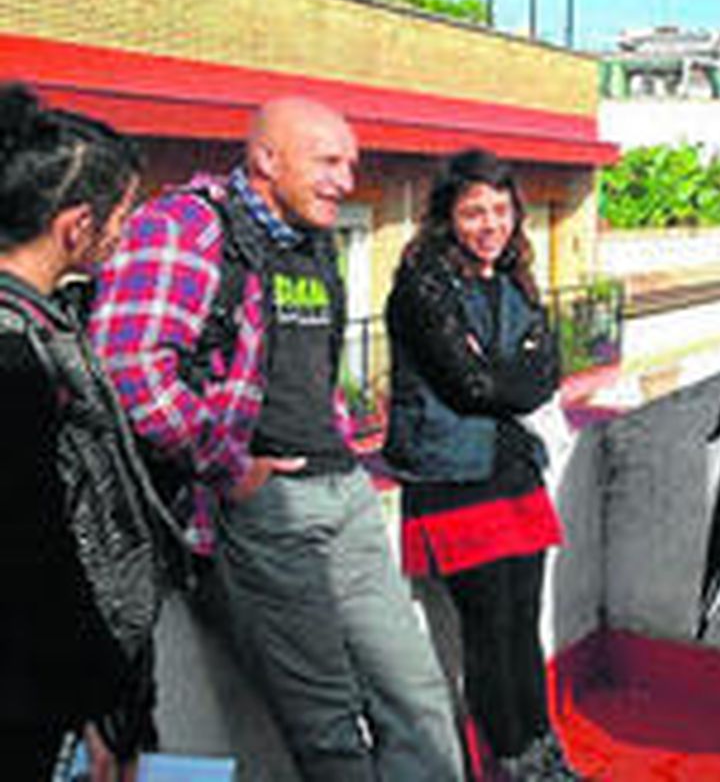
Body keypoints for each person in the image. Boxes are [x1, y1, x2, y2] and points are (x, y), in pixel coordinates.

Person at [89, 97, 462, 782]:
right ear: (265, 159)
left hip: (343, 491)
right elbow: (128, 366)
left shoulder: (314, 241)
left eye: (349, 163)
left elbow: (310, 370)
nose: (346, 180)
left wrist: (342, 441)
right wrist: (224, 463)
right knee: (327, 725)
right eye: (328, 161)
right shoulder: (187, 228)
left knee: (417, 698)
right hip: (265, 510)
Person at [0, 84, 182, 781]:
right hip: (53, 700)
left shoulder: (46, 322)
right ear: (77, 227)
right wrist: (99, 705)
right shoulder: (15, 350)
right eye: (123, 216)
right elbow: (35, 547)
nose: (125, 234)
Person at [383, 149, 581, 782]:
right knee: (489, 631)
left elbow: (546, 372)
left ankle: (544, 752)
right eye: (473, 212)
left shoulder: (512, 280)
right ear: (448, 217)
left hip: (513, 469)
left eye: (500, 209)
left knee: (525, 624)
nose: (490, 224)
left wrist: (508, 373)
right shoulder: (422, 284)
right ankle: (513, 764)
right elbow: (469, 384)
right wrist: (511, 371)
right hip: (452, 477)